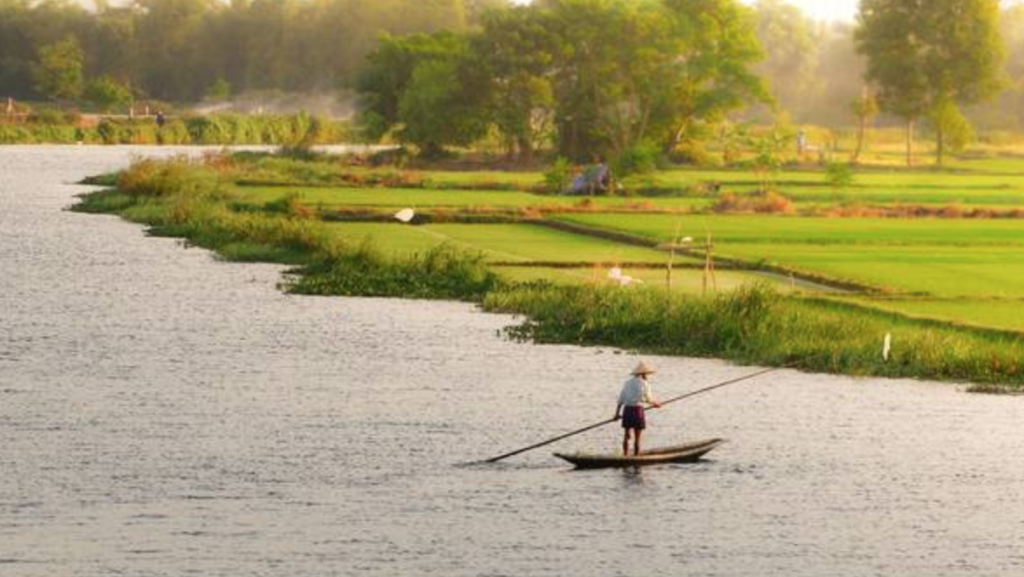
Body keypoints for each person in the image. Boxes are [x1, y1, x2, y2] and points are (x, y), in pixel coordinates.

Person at [614, 361, 661, 456]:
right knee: (637, 437)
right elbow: (648, 399)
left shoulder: (627, 383)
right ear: (643, 373)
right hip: (637, 411)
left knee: (626, 435)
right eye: (646, 374)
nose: (647, 376)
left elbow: (621, 399)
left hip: (627, 410)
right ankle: (636, 457)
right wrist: (655, 404)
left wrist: (617, 414)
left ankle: (625, 455)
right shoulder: (645, 383)